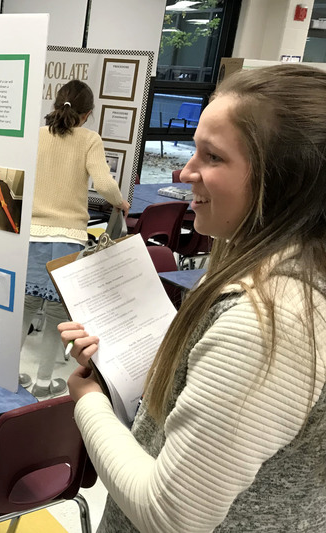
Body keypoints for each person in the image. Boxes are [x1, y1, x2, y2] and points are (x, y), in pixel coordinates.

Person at [61, 64, 326, 532]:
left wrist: (89, 400)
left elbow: (171, 515)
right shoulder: (278, 277)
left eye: (213, 157)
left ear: (285, 179)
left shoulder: (271, 323)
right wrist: (127, 365)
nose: (185, 173)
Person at [21, 79, 129, 397]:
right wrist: (120, 201)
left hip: (31, 235)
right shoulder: (89, 139)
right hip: (68, 236)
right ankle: (42, 382)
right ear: (88, 114)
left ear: (56, 104)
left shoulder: (35, 136)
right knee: (57, 313)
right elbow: (104, 183)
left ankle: (9, 375)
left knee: (24, 308)